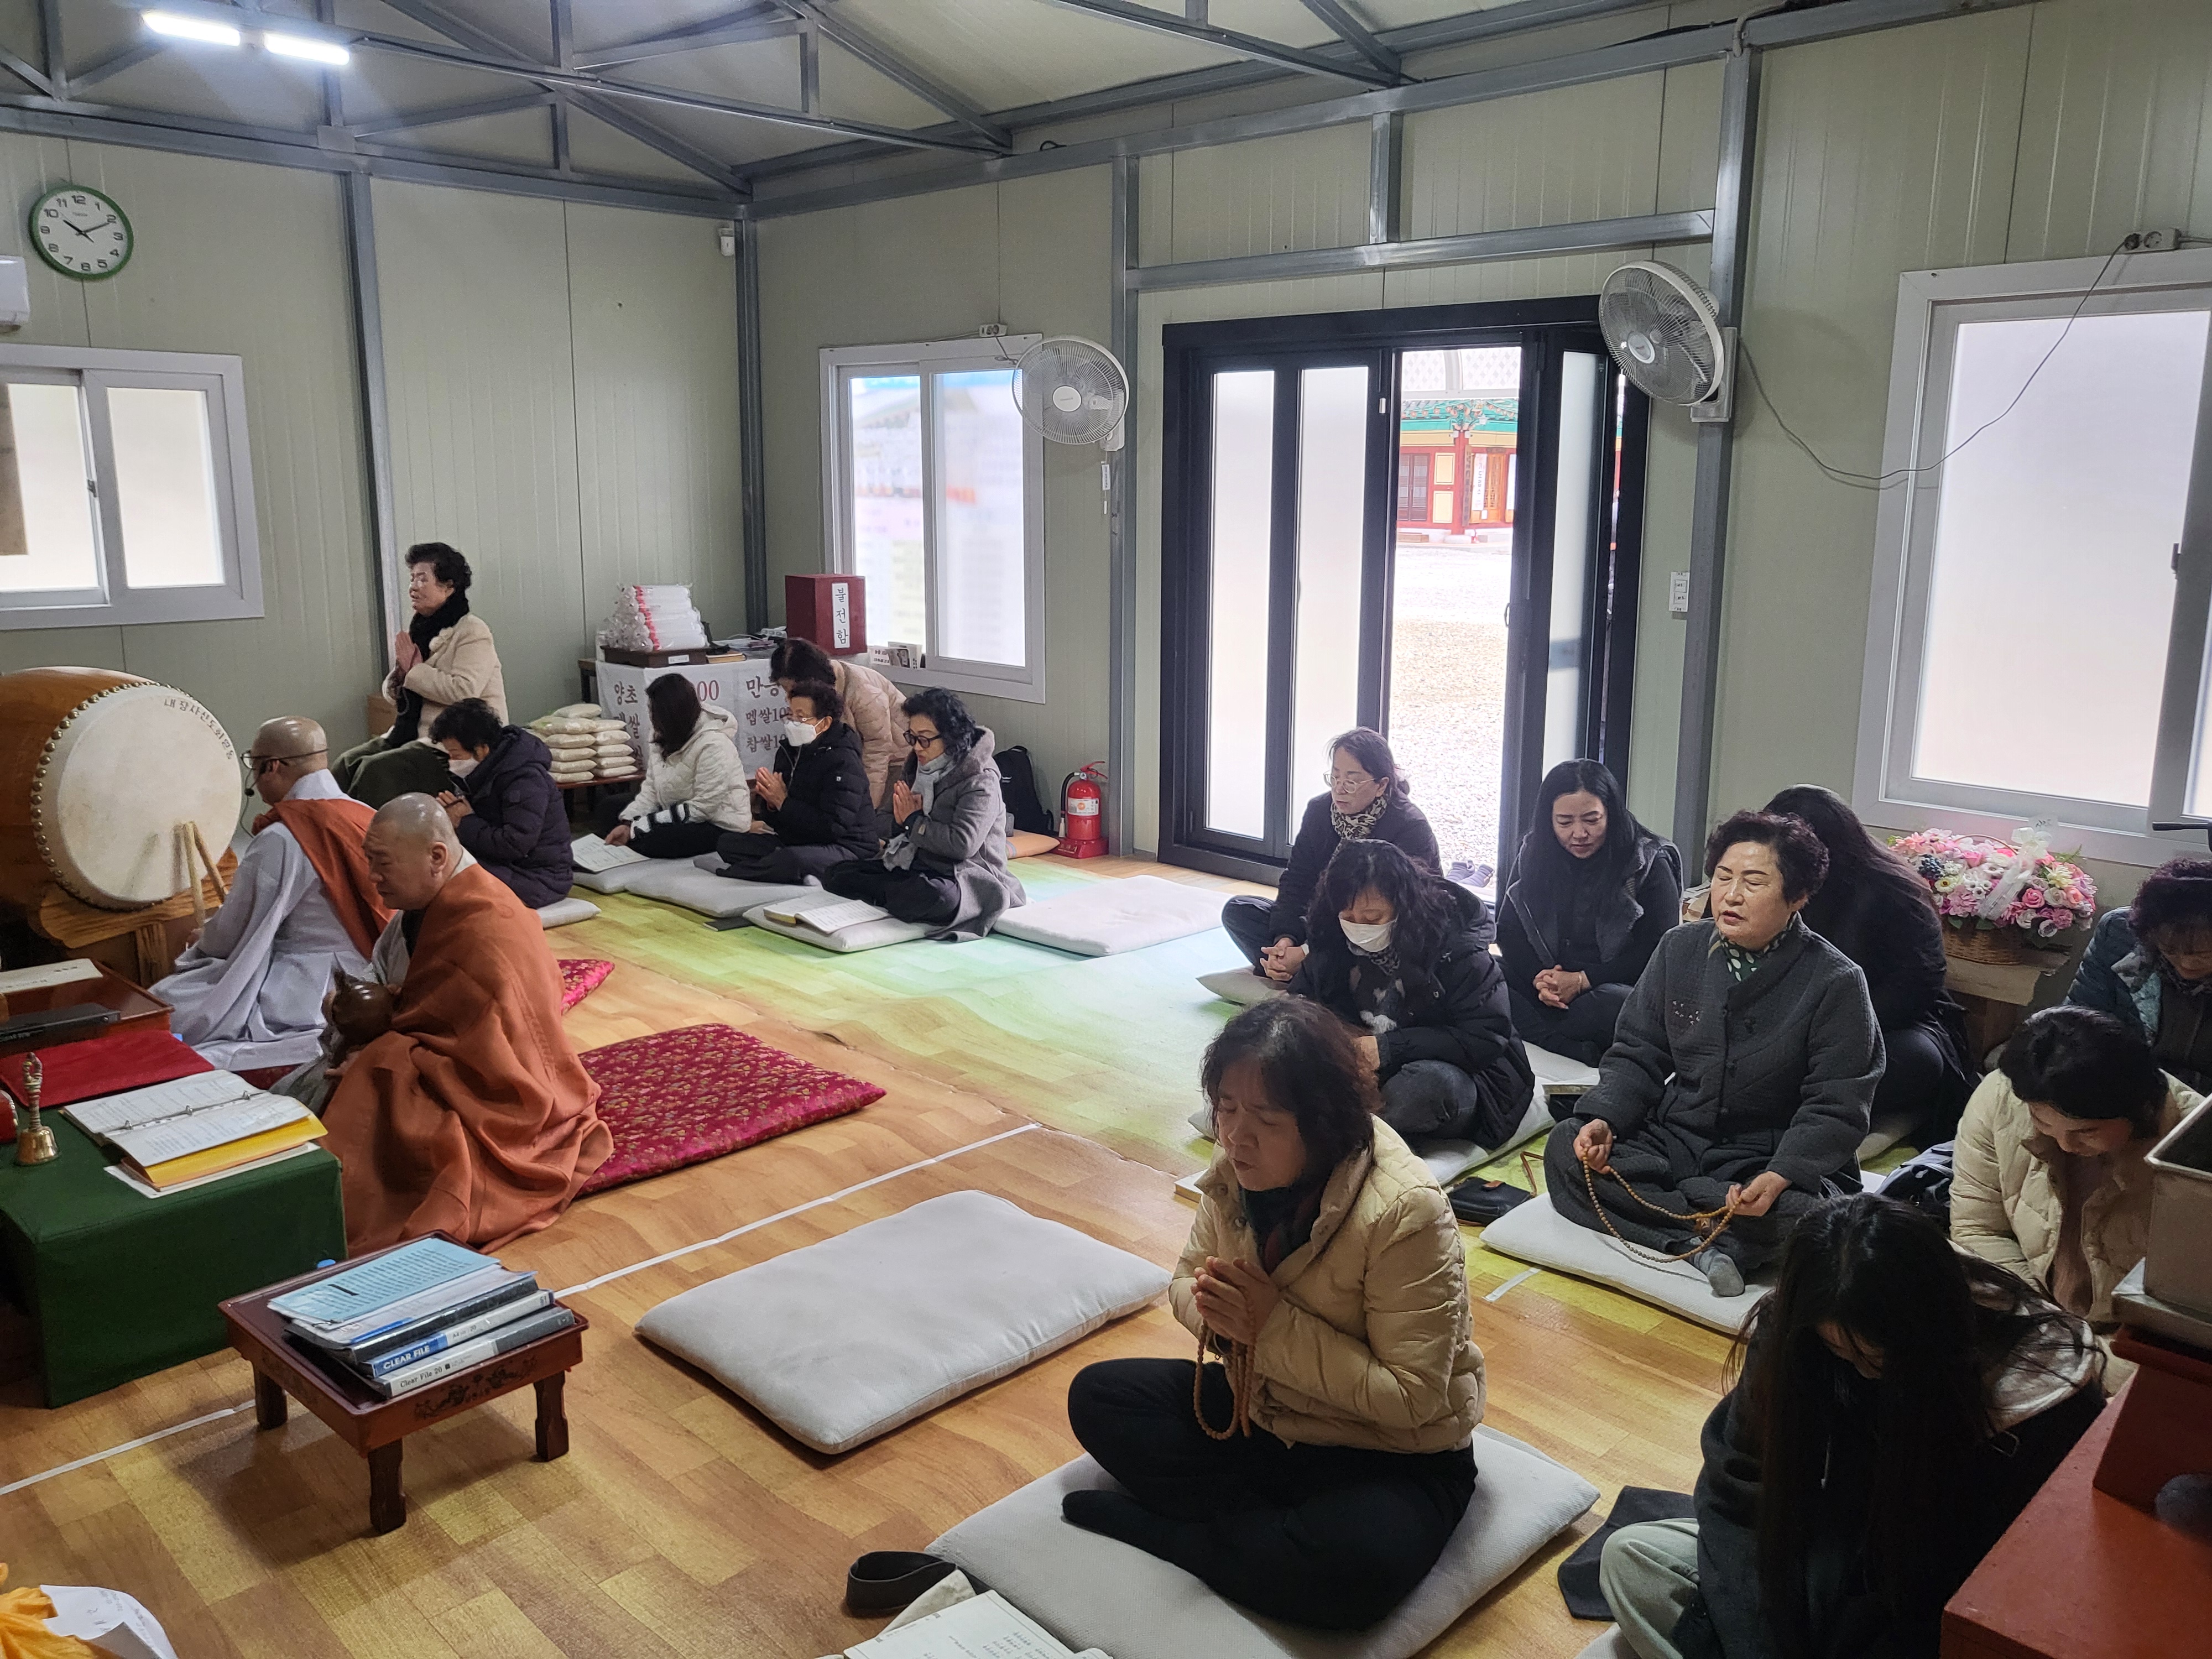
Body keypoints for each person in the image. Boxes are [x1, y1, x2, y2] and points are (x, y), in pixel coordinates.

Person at [1063, 997, 1483, 1631]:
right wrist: (1222, 1319)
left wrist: (1268, 1325)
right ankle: (1264, 1538)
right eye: (1226, 1108)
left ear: (1323, 1121)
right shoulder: (1234, 1166)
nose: (1236, 1136)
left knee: (1355, 1570)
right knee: (1100, 1397)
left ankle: (1177, 1536)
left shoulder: (1406, 1209)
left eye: (1265, 1118)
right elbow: (1185, 1280)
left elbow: (1413, 1397)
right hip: (1264, 1409)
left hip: (1389, 1448)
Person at [1598, 1193, 2104, 1659]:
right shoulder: (1798, 1335)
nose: (1860, 1371)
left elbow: (1981, 1589)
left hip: (1928, 1611)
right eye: (1839, 1351)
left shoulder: (2038, 1396)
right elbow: (1739, 1490)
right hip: (1814, 1570)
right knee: (1631, 1558)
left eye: (1877, 1359)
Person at [1542, 810, 1884, 1296]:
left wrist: (1781, 1174)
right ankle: (1703, 1239)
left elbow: (1838, 1103)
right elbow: (1638, 1051)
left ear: (1798, 896)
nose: (1731, 895)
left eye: (1754, 882)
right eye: (1723, 878)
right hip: (1675, 1135)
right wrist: (1606, 1119)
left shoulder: (1836, 981)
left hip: (1763, 1152)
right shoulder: (1679, 948)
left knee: (1818, 1219)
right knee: (1567, 1147)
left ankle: (1672, 1218)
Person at [317, 795, 609, 1254]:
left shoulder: (484, 925)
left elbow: (488, 1058)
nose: (372, 876)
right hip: (454, 1057)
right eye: (369, 861)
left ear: (437, 857)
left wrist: (377, 1053)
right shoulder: (429, 902)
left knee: (376, 1080)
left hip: (507, 1096)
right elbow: (408, 997)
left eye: (382, 863)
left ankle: (324, 1212)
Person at [153, 717, 393, 1072]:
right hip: (368, 975)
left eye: (254, 765)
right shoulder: (366, 815)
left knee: (166, 1004)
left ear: (272, 767)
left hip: (306, 985)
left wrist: (205, 937)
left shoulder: (283, 838)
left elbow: (235, 931)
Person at [1952, 1006, 2197, 1332]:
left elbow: (2190, 1297)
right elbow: (1978, 1229)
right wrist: (2043, 1320)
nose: (2066, 1146)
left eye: (2087, 1132)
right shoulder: (2001, 1098)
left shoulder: (2194, 1149)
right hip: (2032, 1311)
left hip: (2139, 1334)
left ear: (2140, 1109)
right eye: (2042, 1122)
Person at [1287, 839, 1534, 1151]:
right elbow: (1298, 1006)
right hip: (1358, 1069)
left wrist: (1388, 1049)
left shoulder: (1458, 948)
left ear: (1403, 907)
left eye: (1372, 919)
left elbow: (1486, 1037)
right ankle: (1344, 1125)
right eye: (1348, 917)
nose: (1359, 928)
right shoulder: (1331, 939)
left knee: (1428, 1086)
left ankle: (1343, 1134)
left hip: (1461, 1075)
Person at [1766, 785, 1973, 1139]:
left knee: (1918, 1060)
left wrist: (1825, 1032)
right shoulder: (1757, 881)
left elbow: (1917, 987)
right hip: (1773, 1022)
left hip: (1875, 1024)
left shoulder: (1893, 891)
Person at [1220, 729, 1442, 982]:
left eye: (1351, 781)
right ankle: (1296, 970)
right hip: (1322, 922)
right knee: (1240, 911)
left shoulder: (1409, 826)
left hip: (1375, 930)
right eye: (1335, 777)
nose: (1340, 789)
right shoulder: (1319, 811)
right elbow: (1298, 880)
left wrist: (1308, 952)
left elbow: (1413, 909)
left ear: (1381, 785)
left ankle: (1313, 975)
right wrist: (1285, 939)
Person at [1500, 759, 1682, 1066]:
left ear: (1611, 813)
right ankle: (1563, 1045)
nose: (1579, 833)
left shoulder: (1647, 861)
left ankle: (1530, 1031)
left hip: (1605, 988)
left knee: (1614, 1005)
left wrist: (1583, 980)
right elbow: (1508, 930)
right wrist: (1539, 979)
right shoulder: (1534, 851)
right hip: (1547, 986)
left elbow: (1658, 952)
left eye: (1591, 820)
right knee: (1484, 973)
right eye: (1564, 822)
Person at [820, 687, 1025, 939]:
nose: (917, 747)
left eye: (925, 739)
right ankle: (893, 895)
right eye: (912, 737)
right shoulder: (916, 766)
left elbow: (962, 846)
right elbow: (881, 821)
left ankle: (890, 895)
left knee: (934, 896)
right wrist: (902, 823)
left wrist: (912, 821)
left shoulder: (980, 780)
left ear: (950, 737)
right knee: (836, 874)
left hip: (963, 875)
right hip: (915, 865)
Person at [335, 542, 507, 806]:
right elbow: (396, 695)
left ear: (448, 586)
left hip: (455, 744)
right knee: (346, 764)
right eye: (412, 578)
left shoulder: (472, 630)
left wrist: (414, 671)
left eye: (422, 579)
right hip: (411, 735)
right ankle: (331, 830)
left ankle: (369, 833)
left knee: (375, 772)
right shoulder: (421, 629)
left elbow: (464, 692)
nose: (413, 587)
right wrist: (402, 674)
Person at [2067, 855, 2212, 1092]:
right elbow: (2078, 1021)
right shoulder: (2119, 934)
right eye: (2170, 950)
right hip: (2124, 1082)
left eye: (2203, 954)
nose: (2187, 963)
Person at [718, 680, 877, 883]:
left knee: (792, 860)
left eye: (801, 717)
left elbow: (832, 828)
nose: (792, 722)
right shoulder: (789, 751)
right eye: (790, 715)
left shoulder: (843, 760)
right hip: (801, 841)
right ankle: (788, 872)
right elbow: (779, 820)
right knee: (728, 842)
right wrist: (771, 804)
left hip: (847, 846)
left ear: (824, 723)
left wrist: (783, 802)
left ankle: (741, 873)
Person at [429, 698, 572, 910]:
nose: (452, 761)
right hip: (508, 866)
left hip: (539, 878)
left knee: (445, 874)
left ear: (481, 749)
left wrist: (464, 821)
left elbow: (514, 844)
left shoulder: (525, 780)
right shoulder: (484, 772)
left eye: (455, 755)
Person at [593, 674, 748, 859]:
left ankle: (632, 842)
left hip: (716, 822)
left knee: (659, 839)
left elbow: (703, 808)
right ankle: (627, 840)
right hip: (674, 807)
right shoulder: (660, 735)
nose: (651, 718)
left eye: (654, 712)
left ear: (670, 715)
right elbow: (652, 789)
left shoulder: (714, 745)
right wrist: (628, 822)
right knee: (609, 809)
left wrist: (638, 828)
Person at [771, 635, 909, 812]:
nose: (790, 697)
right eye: (785, 689)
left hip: (895, 757)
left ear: (812, 680)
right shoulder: (814, 690)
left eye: (793, 689)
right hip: (856, 756)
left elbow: (878, 748)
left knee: (874, 817)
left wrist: (868, 806)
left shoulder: (863, 692)